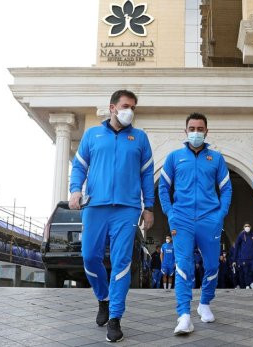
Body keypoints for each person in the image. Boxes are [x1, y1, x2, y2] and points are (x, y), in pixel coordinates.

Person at [68, 89, 155, 342]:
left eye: (133, 107)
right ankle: (103, 298)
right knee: (89, 257)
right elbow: (79, 167)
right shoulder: (92, 135)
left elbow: (147, 175)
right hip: (95, 207)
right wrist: (75, 190)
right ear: (112, 107)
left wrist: (148, 206)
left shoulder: (139, 138)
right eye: (126, 105)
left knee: (122, 262)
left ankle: (115, 317)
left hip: (127, 209)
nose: (130, 111)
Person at [158, 112, 232, 335]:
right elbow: (163, 187)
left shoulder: (216, 159)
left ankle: (205, 303)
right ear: (186, 131)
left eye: (200, 129)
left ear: (206, 132)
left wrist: (220, 215)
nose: (196, 132)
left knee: (212, 265)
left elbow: (226, 188)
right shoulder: (174, 157)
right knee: (183, 265)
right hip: (182, 219)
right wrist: (170, 213)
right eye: (192, 128)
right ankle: (184, 315)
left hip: (210, 219)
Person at [233, 222, 253, 289]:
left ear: (250, 227)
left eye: (248, 226)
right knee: (246, 272)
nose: (247, 227)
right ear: (243, 227)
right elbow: (237, 246)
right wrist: (235, 259)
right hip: (244, 257)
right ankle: (248, 285)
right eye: (245, 226)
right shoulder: (241, 235)